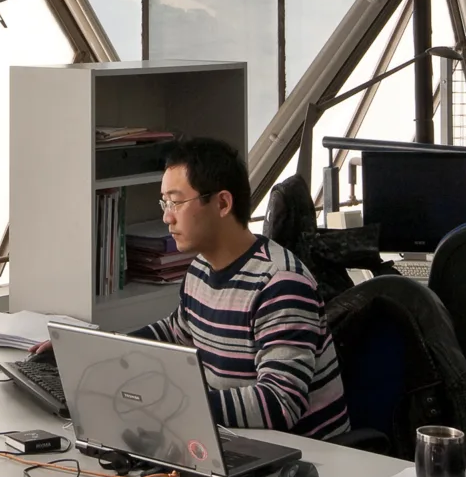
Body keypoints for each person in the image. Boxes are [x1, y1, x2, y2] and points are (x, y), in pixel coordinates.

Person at [131, 137, 348, 438]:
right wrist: (95, 347)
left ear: (221, 203)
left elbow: (280, 403)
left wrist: (181, 407)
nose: (167, 217)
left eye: (176, 202)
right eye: (164, 203)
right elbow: (177, 333)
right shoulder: (201, 269)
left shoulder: (281, 284)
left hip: (304, 463)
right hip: (239, 441)